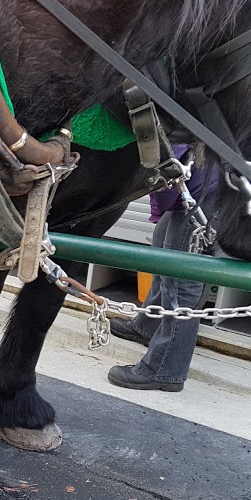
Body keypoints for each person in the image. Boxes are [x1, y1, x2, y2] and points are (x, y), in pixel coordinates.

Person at [107, 148, 220, 392]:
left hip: (201, 189)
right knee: (162, 243)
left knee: (182, 281)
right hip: (202, 180)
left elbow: (169, 150)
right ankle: (148, 326)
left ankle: (165, 370)